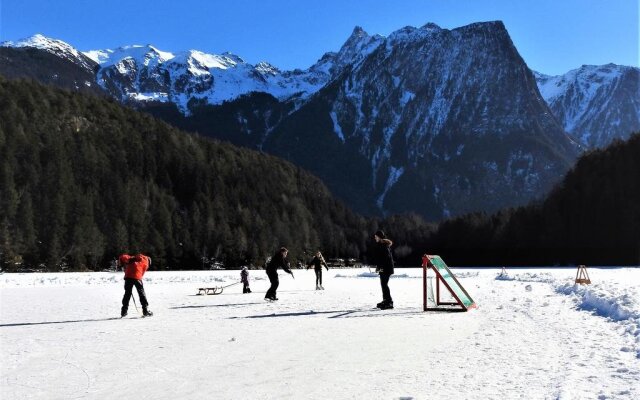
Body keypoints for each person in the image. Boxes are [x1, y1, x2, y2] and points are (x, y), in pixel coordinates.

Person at [119, 253, 153, 317]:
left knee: (127, 294)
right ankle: (145, 310)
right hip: (137, 277)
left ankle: (123, 311)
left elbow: (123, 258)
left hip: (128, 277)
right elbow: (141, 274)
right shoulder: (145, 261)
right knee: (141, 293)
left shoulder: (134, 258)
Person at [371, 230, 395, 309]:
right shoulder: (381, 245)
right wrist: (379, 267)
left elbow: (386, 258)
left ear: (379, 237)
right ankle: (386, 300)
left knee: (384, 284)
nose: (375, 238)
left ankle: (389, 302)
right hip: (383, 268)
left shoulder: (383, 245)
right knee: (383, 284)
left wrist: (381, 267)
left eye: (376, 237)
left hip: (386, 268)